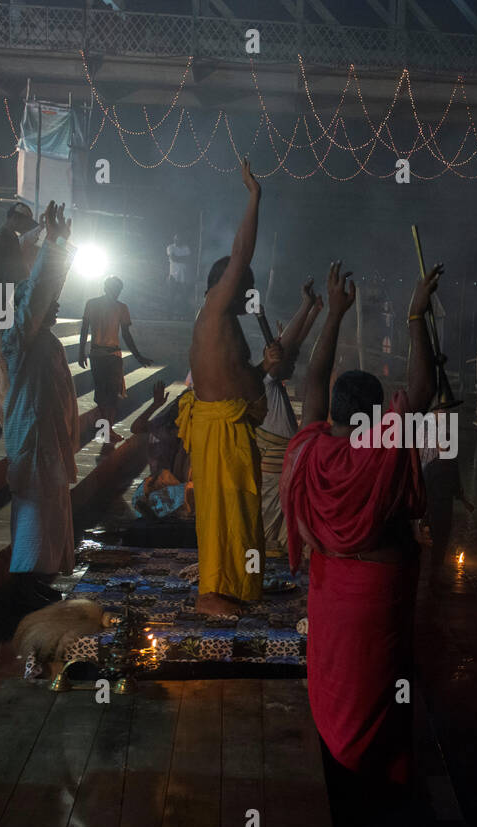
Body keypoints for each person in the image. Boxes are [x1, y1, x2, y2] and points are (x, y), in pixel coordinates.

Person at [281, 259, 444, 789]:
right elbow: (421, 390)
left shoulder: (312, 447)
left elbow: (311, 380)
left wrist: (332, 313)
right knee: (383, 679)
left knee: (338, 679)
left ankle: (339, 754)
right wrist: (417, 315)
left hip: (332, 588)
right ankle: (381, 770)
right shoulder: (384, 445)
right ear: (377, 414)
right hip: (379, 594)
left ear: (333, 412)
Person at [182, 158, 267, 617]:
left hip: (230, 427)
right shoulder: (214, 311)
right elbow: (241, 256)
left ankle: (231, 586)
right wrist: (254, 197)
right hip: (216, 427)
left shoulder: (231, 324)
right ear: (224, 287)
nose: (247, 294)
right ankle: (211, 593)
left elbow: (251, 379)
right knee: (220, 511)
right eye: (243, 287)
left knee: (238, 511)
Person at [0, 201, 80, 611]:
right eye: (51, 300)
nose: (57, 304)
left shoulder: (44, 339)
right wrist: (56, 243)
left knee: (49, 509)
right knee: (32, 514)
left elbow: (45, 292)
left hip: (46, 438)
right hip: (28, 439)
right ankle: (21, 588)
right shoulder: (19, 337)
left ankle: (40, 580)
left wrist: (61, 245)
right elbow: (36, 295)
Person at [256, 279, 322, 558]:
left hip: (282, 468)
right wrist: (306, 305)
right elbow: (285, 349)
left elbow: (289, 349)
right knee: (269, 533)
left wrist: (314, 312)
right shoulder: (264, 383)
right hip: (272, 471)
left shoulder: (273, 384)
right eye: (288, 364)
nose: (293, 367)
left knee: (286, 530)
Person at [78, 275, 152, 450]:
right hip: (107, 356)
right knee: (108, 397)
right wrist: (138, 356)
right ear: (107, 288)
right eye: (116, 288)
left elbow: (84, 330)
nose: (117, 292)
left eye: (118, 289)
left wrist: (82, 352)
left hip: (101, 355)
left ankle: (106, 431)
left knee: (106, 396)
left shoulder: (100, 305)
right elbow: (124, 334)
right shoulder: (117, 307)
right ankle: (106, 431)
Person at [0, 200, 43, 376]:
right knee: (8, 339)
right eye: (24, 222)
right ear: (15, 219)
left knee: (9, 338)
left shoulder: (10, 237)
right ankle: (1, 378)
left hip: (8, 295)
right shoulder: (2, 238)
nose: (25, 227)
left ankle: (2, 377)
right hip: (4, 296)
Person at [419, 410, 474, 580]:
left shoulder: (450, 462)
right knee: (433, 537)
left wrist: (464, 501)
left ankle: (437, 569)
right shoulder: (430, 465)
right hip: (433, 505)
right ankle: (432, 571)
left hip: (445, 505)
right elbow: (424, 489)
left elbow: (456, 484)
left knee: (443, 537)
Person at [129, 378, 194, 521]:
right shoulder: (162, 425)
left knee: (164, 497)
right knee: (141, 495)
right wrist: (155, 405)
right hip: (161, 484)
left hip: (178, 488)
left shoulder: (189, 433)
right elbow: (135, 428)